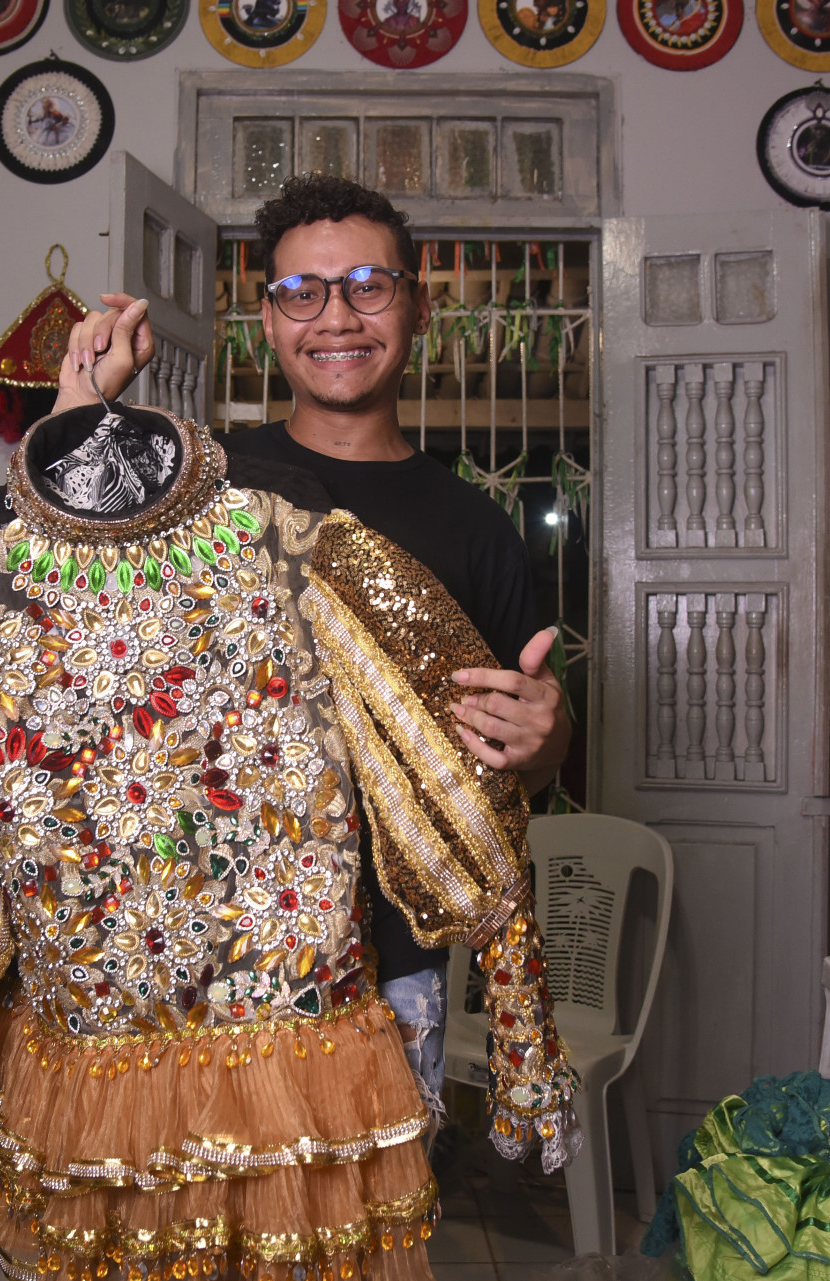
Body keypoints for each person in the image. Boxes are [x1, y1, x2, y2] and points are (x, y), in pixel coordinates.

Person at [50, 172, 571, 1120]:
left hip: (390, 964)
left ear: (415, 304)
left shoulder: (475, 528)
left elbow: (514, 772)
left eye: (368, 285)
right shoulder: (200, 483)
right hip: (187, 938)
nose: (337, 317)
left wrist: (547, 736)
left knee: (364, 1236)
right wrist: (77, 413)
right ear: (267, 317)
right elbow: (57, 609)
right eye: (304, 291)